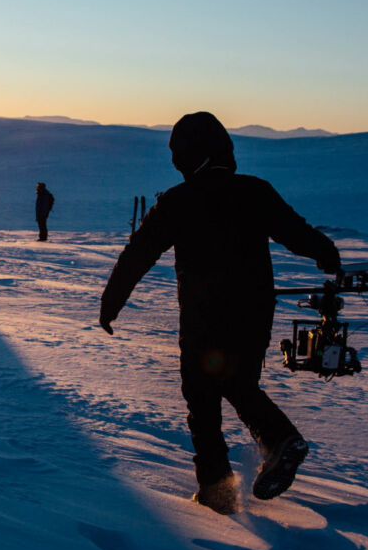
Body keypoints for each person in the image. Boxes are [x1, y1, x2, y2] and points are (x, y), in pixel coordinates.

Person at [98, 112, 341, 515]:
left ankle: (226, 484)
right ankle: (262, 454)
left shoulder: (177, 202)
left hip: (203, 317)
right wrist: (327, 255)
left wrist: (111, 304)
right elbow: (296, 232)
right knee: (237, 381)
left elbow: (136, 256)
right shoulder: (255, 191)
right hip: (256, 311)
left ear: (187, 156)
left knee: (203, 398)